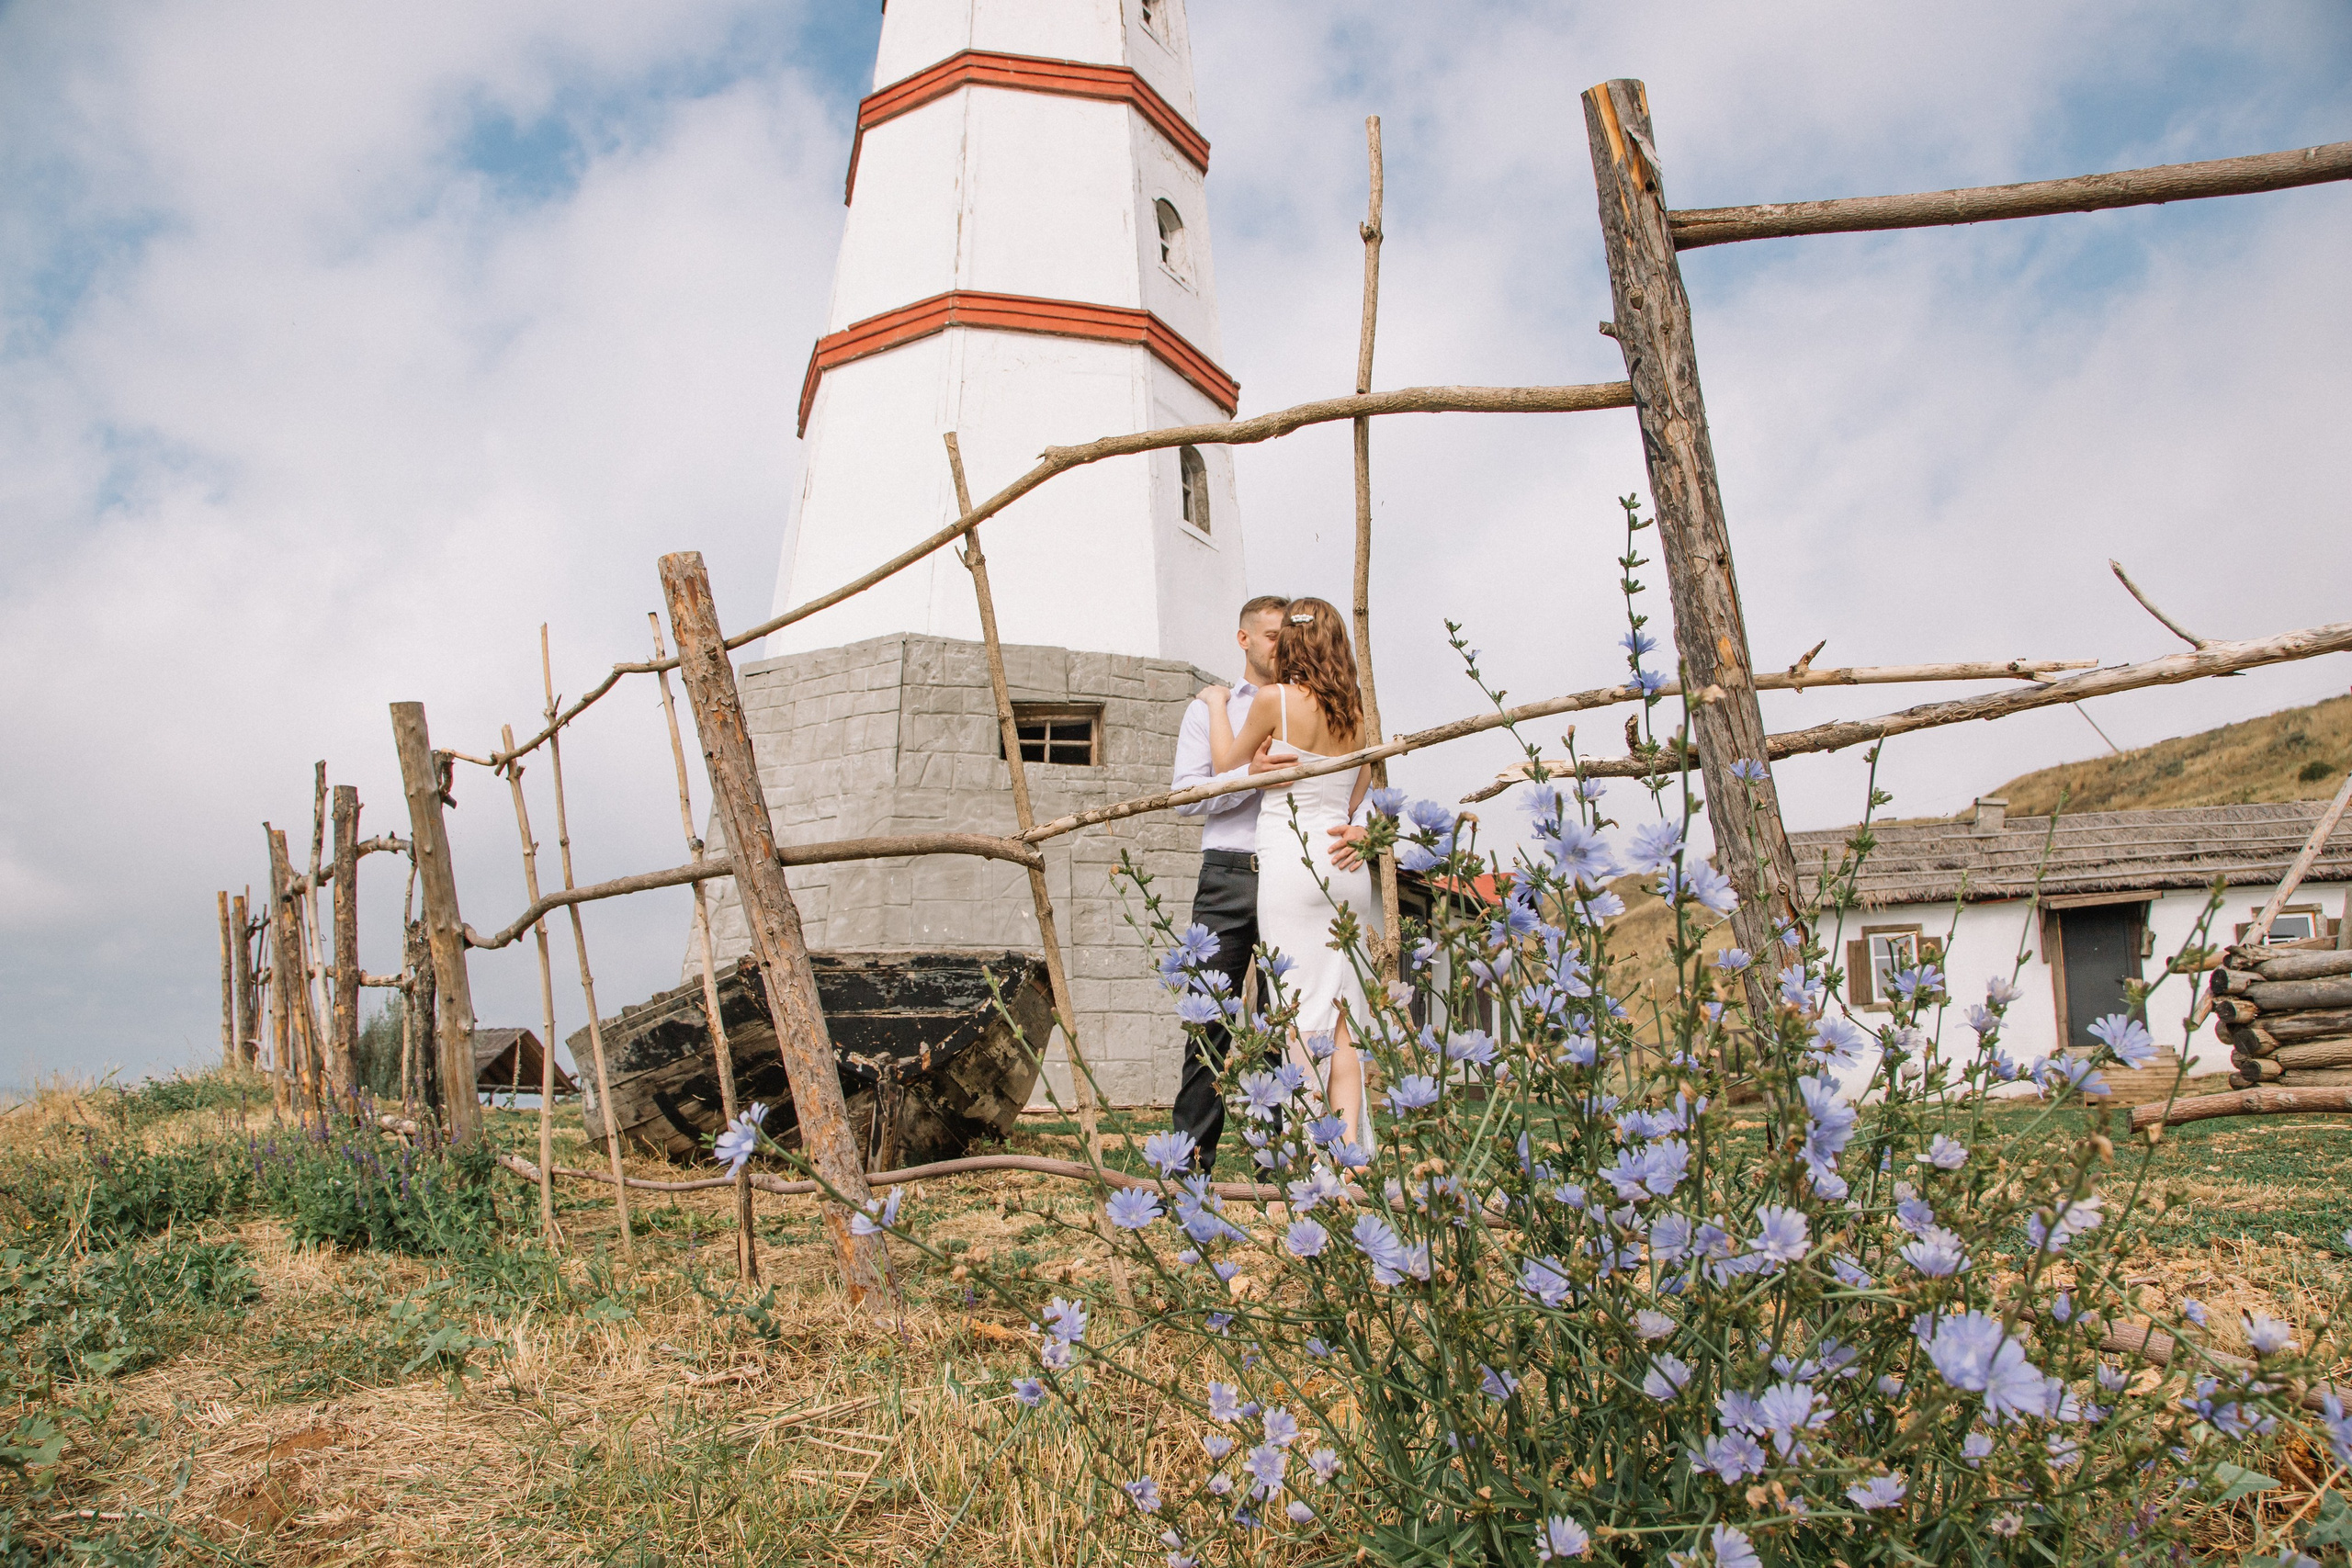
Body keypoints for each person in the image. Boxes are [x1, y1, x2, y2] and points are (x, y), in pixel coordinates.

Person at [1203, 596, 1379, 1153]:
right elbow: (1358, 796)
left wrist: (1213, 706)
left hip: (1289, 861)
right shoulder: (1358, 713)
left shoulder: (1275, 700)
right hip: (1342, 864)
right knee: (1344, 1013)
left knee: (1299, 1009)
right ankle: (1348, 1153)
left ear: (1295, 643)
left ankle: (1310, 1156)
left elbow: (1226, 766)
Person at [1167, 594, 1293, 1171]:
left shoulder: (1302, 705)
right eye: (1270, 634)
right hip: (1227, 874)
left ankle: (1279, 1169)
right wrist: (1251, 776)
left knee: (1279, 1024)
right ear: (1243, 639)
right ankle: (1188, 1168)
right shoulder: (1208, 710)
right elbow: (1187, 799)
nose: (1280, 644)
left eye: (1287, 633)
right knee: (1207, 1021)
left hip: (1291, 871)